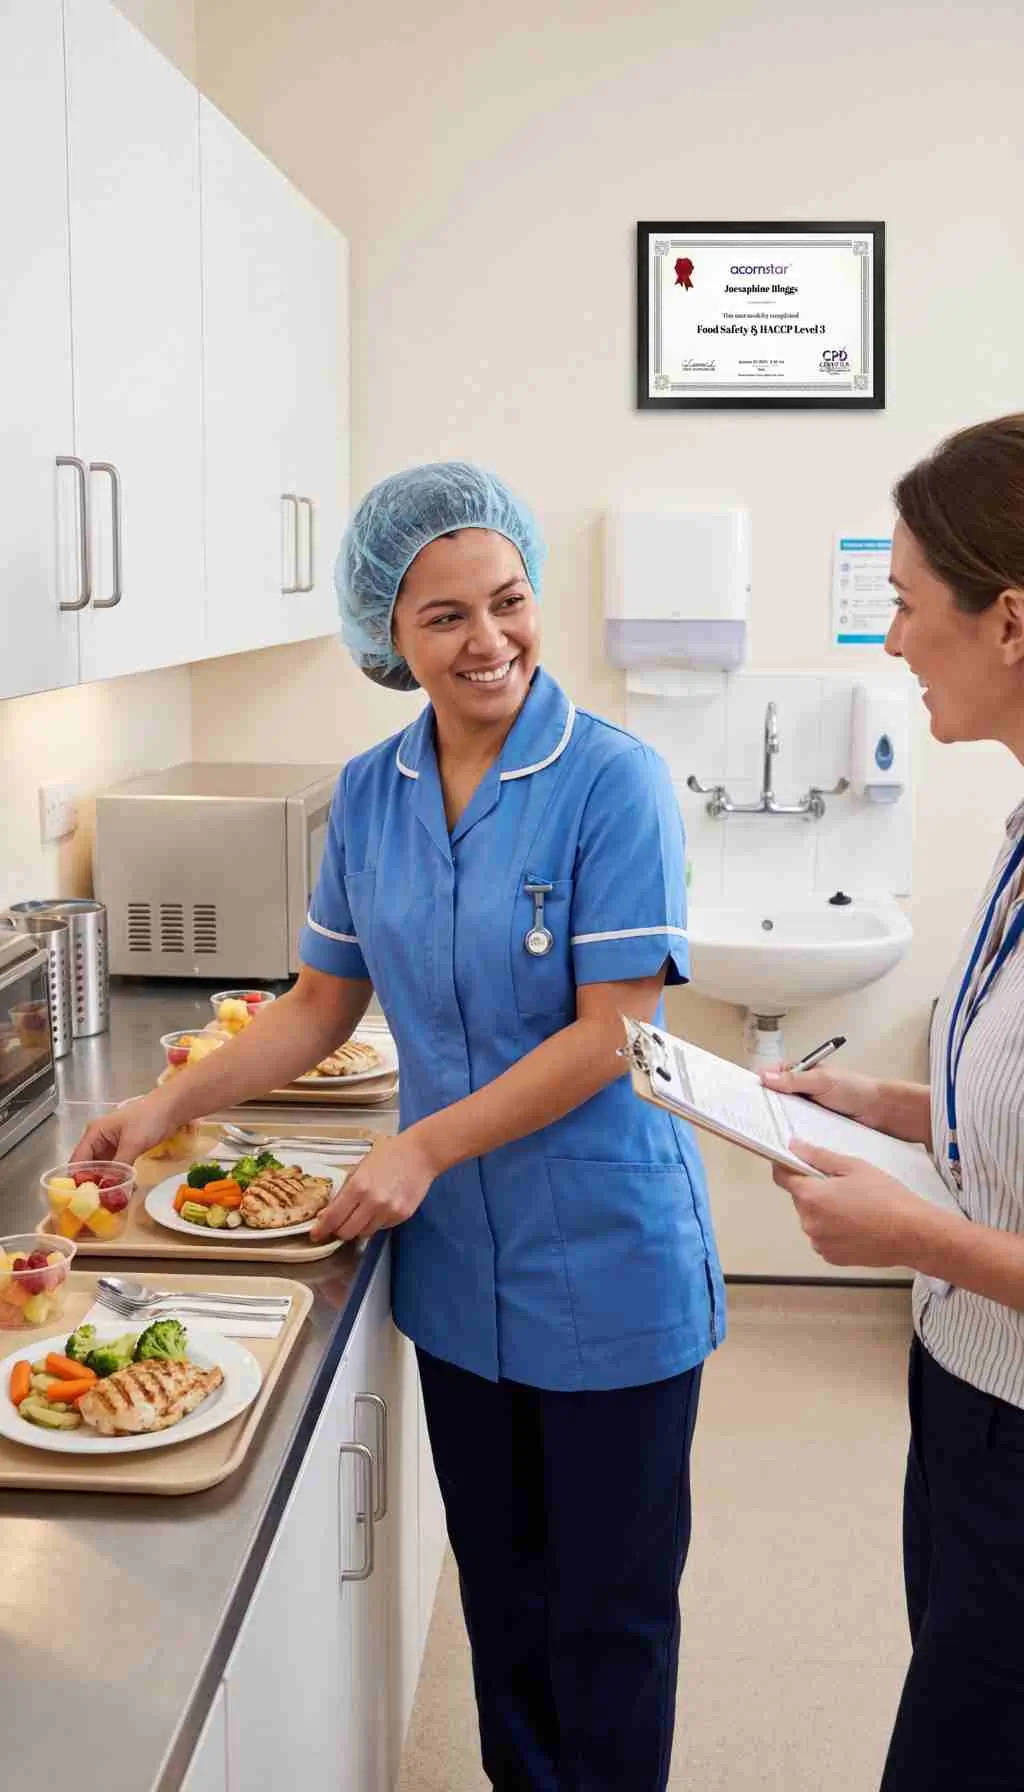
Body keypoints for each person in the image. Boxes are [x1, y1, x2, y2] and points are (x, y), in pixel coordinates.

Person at [73, 461, 724, 1791]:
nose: (488, 640)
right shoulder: (370, 791)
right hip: (462, 1280)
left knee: (608, 1617)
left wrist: (420, 1145)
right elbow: (318, 1004)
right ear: (389, 636)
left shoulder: (614, 782)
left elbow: (612, 1033)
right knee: (504, 1599)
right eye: (445, 617)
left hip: (609, 1260)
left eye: (508, 602)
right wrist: (161, 1106)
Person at [767, 414, 1024, 1792]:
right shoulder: (1020, 826)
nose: (889, 642)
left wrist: (909, 1236)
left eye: (910, 606)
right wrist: (887, 1104)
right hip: (970, 1399)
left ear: (1011, 622)